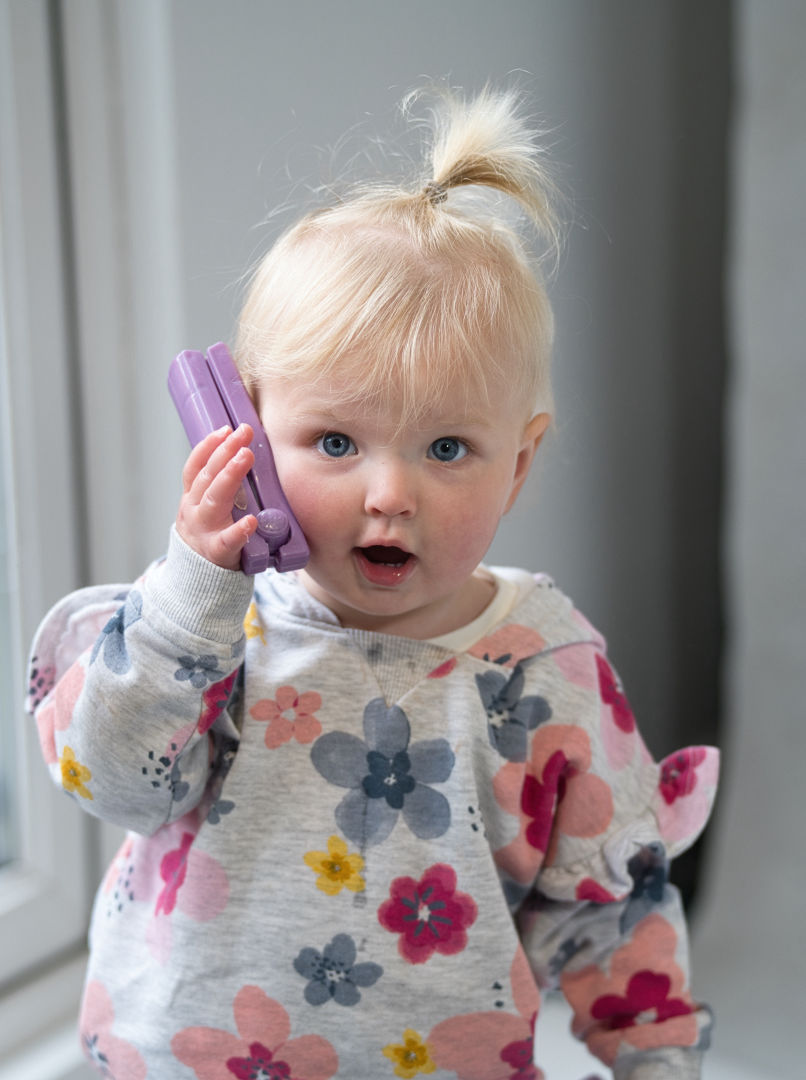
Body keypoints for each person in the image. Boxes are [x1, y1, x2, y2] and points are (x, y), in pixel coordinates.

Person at [27, 87, 718, 1080]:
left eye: (446, 447)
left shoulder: (542, 667)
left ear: (517, 466)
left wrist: (653, 1056)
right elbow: (111, 778)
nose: (388, 493)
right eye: (336, 442)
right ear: (249, 434)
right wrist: (191, 596)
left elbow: (605, 905)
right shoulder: (208, 628)